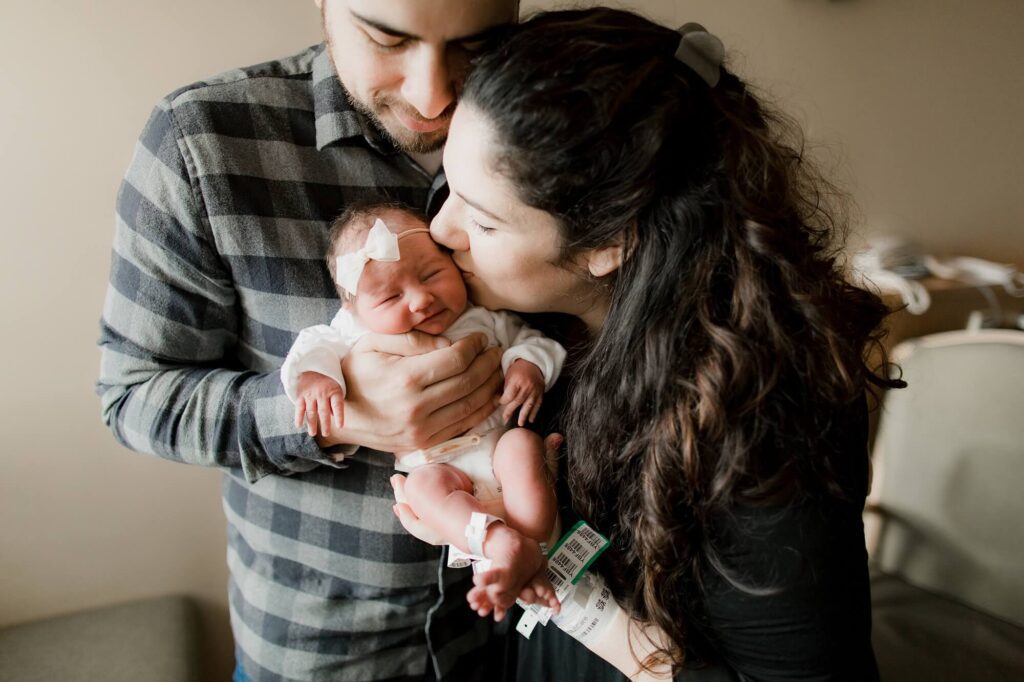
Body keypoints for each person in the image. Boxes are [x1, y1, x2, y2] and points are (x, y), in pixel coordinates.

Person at [393, 7, 901, 681]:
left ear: (609, 243)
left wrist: (549, 577)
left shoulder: (759, 422)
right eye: (449, 184)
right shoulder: (539, 325)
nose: (442, 226)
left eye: (481, 220)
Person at [97, 1, 527, 680]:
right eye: (390, 38)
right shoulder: (204, 139)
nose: (433, 94)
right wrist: (333, 415)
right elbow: (133, 398)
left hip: (530, 637)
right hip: (328, 653)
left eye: (477, 46)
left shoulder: (558, 118)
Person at [280, 202, 563, 611]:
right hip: (434, 464)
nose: (421, 299)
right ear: (352, 308)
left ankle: (533, 546)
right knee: (421, 491)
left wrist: (527, 366)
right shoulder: (351, 330)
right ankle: (499, 543)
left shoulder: (481, 315)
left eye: (432, 274)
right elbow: (314, 345)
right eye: (391, 296)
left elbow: (533, 341)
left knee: (522, 446)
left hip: (494, 445)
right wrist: (316, 379)